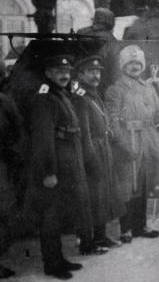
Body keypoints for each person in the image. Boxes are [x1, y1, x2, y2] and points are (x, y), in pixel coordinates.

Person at [25, 55, 91, 280]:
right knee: (50, 217)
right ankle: (52, 265)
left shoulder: (61, 95)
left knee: (60, 214)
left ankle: (59, 258)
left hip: (68, 163)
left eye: (67, 71)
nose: (64, 75)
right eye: (58, 71)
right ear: (48, 73)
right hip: (54, 167)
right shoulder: (44, 99)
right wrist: (49, 172)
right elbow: (43, 139)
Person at [105, 45, 159, 243]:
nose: (135, 67)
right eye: (130, 63)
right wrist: (122, 144)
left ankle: (141, 225)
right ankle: (126, 228)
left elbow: (157, 111)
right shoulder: (116, 90)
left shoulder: (148, 88)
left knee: (145, 183)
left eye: (138, 63)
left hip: (148, 139)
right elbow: (111, 120)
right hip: (129, 140)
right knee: (128, 186)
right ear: (123, 66)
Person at [72, 56, 124, 254]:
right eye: (91, 72)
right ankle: (88, 242)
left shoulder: (93, 94)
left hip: (103, 148)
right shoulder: (79, 97)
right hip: (91, 150)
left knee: (103, 196)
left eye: (98, 72)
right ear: (81, 75)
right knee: (91, 198)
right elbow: (84, 132)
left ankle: (101, 237)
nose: (96, 75)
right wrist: (91, 158)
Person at [0, 92, 23, 279]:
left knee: (3, 211)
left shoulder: (5, 101)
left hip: (1, 164)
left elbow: (18, 131)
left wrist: (11, 154)